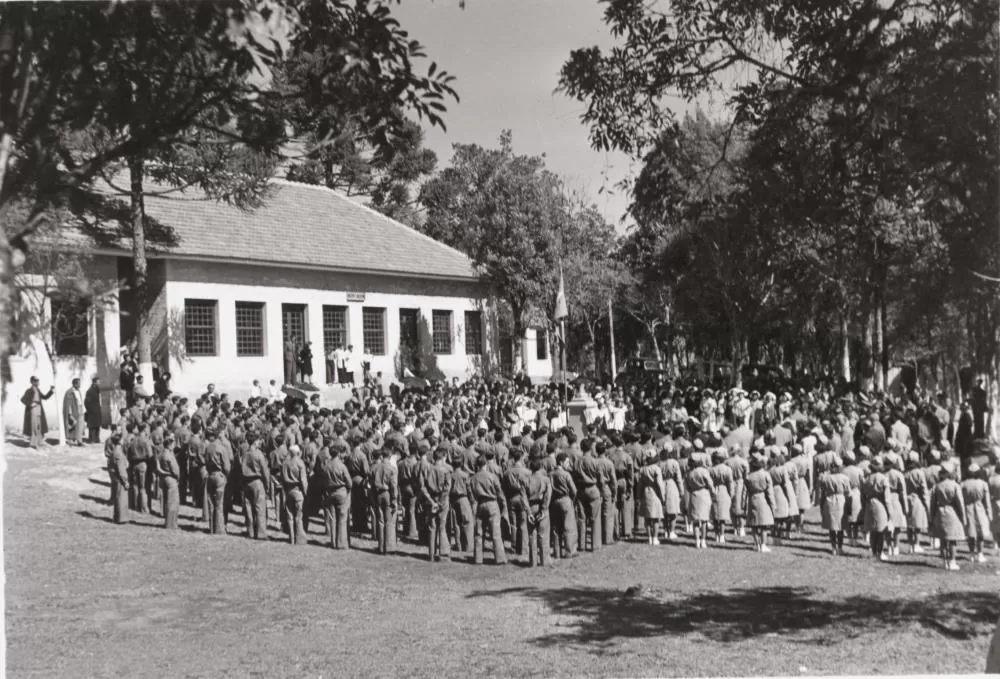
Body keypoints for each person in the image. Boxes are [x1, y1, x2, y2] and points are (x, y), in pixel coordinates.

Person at [930, 460, 966, 570]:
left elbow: (932, 504)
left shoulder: (936, 486)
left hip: (940, 512)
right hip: (952, 512)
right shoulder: (955, 486)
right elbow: (960, 502)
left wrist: (931, 517)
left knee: (943, 539)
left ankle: (945, 561)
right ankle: (952, 561)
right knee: (952, 539)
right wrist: (963, 517)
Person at [742, 453, 775, 552]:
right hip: (764, 500)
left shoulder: (748, 476)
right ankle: (763, 544)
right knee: (764, 525)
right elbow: (770, 492)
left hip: (752, 499)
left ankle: (757, 544)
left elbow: (744, 492)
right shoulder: (766, 475)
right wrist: (773, 505)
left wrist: (743, 504)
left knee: (754, 524)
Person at [240, 433, 270, 539]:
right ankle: (261, 533)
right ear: (255, 442)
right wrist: (267, 484)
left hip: (246, 482)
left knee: (248, 508)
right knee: (260, 507)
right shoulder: (259, 454)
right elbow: (265, 471)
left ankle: (250, 531)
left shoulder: (245, 454)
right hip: (257, 482)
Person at [961, 463, 991, 563]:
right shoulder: (983, 484)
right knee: (980, 532)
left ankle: (971, 554)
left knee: (970, 533)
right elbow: (987, 501)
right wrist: (989, 513)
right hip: (980, 508)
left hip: (968, 508)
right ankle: (980, 554)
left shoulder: (963, 484)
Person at [280, 443, 309, 545]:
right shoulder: (300, 463)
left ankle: (291, 538)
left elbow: (282, 478)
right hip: (298, 491)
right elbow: (303, 480)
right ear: (298, 452)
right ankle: (299, 538)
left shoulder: (285, 463)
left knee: (289, 516)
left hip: (288, 491)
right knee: (298, 516)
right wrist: (305, 491)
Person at [637, 449, 665, 545]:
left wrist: (639, 495)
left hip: (646, 492)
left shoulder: (642, 469)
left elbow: (640, 484)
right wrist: (662, 496)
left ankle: (649, 537)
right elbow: (660, 484)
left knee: (647, 518)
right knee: (656, 517)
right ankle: (655, 538)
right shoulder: (657, 469)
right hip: (655, 492)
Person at [154, 435, 181, 529]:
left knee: (166, 500)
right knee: (173, 502)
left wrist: (164, 473)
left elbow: (157, 468)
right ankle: (171, 523)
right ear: (170, 445)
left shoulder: (160, 454)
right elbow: (176, 470)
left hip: (164, 478)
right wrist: (177, 476)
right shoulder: (169, 455)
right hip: (171, 479)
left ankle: (168, 522)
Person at [21, 376, 54, 448]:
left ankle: (39, 442)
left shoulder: (38, 390)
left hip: (39, 409)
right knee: (33, 426)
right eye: (36, 381)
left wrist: (51, 391)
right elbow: (22, 399)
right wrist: (30, 404)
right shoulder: (29, 390)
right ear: (32, 382)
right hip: (33, 410)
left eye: (38, 381)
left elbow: (45, 397)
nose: (37, 383)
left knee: (39, 426)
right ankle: (33, 443)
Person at [108, 430, 130, 524]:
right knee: (121, 498)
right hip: (120, 478)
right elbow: (121, 469)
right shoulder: (118, 453)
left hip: (117, 477)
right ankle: (121, 517)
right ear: (119, 441)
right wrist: (125, 481)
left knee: (119, 497)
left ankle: (118, 517)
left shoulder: (116, 451)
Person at [63, 377, 85, 446]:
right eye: (79, 384)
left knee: (80, 426)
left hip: (80, 409)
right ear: (75, 384)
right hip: (74, 410)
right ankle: (71, 440)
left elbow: (80, 401)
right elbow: (68, 404)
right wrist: (70, 413)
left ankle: (79, 441)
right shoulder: (69, 392)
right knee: (73, 425)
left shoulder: (78, 391)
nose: (80, 385)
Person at [85, 376, 102, 443]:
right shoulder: (90, 391)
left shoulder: (97, 390)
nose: (99, 383)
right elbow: (86, 402)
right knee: (92, 426)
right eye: (98, 382)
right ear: (94, 382)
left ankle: (96, 439)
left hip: (97, 410)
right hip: (92, 412)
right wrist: (91, 410)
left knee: (97, 425)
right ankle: (91, 439)